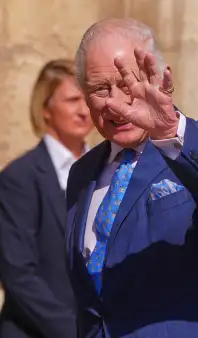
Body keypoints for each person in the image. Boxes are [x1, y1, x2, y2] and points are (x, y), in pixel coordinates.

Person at [65, 18, 198, 337]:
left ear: (159, 76)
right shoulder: (82, 173)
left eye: (129, 81)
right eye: (101, 88)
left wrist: (169, 132)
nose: (116, 102)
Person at [0, 59, 93, 338]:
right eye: (72, 100)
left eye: (87, 99)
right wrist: (74, 332)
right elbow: (18, 274)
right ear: (46, 109)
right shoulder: (20, 178)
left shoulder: (107, 170)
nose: (83, 110)